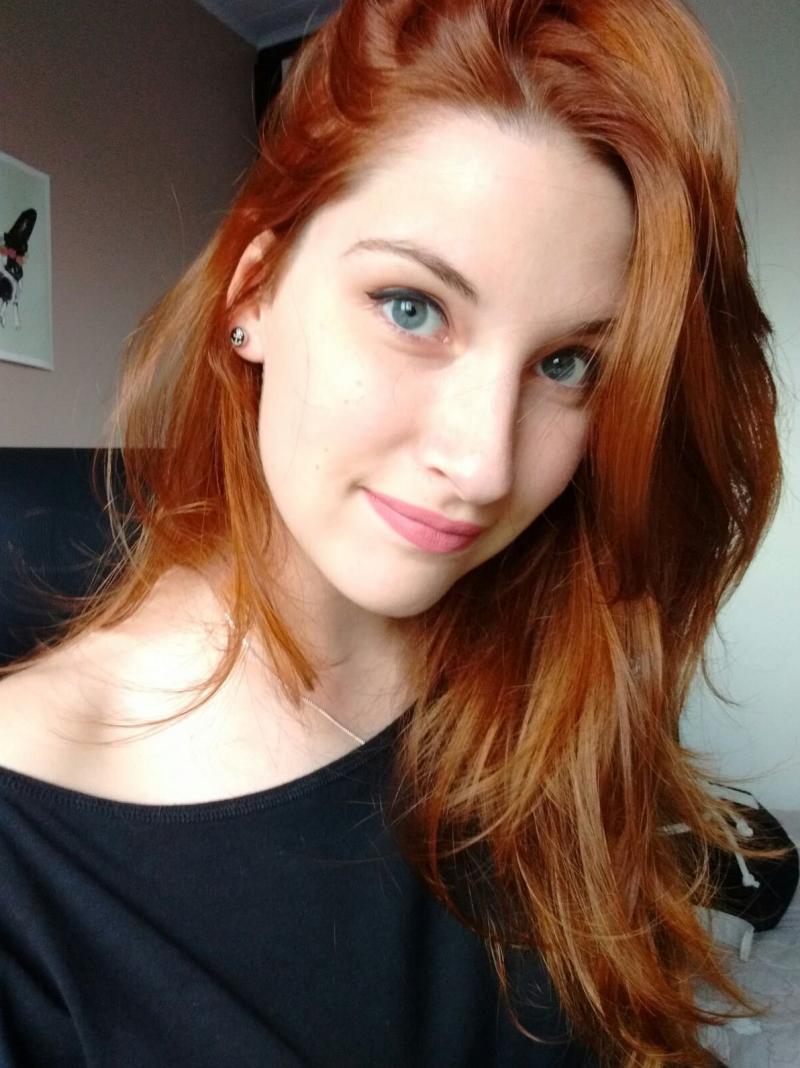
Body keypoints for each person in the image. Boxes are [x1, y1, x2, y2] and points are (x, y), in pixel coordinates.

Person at [0, 0, 787, 1064]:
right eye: (412, 307)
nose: (485, 464)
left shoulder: (548, 670)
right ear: (253, 294)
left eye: (567, 364)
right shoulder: (30, 846)